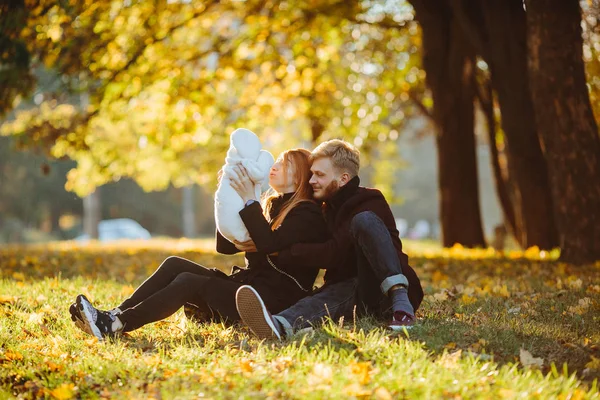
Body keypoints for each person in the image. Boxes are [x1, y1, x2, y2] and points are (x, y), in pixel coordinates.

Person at [70, 148, 328, 341]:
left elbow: (269, 243)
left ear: (300, 176)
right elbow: (226, 248)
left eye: (285, 163)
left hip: (268, 300)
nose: (275, 164)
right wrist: (228, 198)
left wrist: (250, 200)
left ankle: (117, 325)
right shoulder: (273, 206)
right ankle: (113, 315)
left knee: (189, 281)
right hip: (249, 286)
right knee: (174, 264)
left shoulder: (307, 213)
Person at [235, 139, 424, 340]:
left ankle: (400, 300)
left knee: (364, 220)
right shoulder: (324, 209)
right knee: (330, 294)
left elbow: (333, 253)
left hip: (384, 288)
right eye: (312, 173)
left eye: (319, 175)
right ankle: (280, 324)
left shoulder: (370, 200)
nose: (311, 180)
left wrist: (284, 252)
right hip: (357, 293)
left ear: (343, 178)